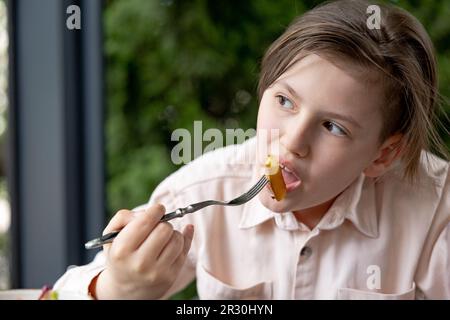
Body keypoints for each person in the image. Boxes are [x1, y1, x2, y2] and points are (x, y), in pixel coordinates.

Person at [54, 0, 450, 299]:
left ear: (383, 155)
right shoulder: (205, 189)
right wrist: (114, 287)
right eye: (285, 102)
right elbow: (59, 292)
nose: (293, 141)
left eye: (333, 127)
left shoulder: (437, 208)